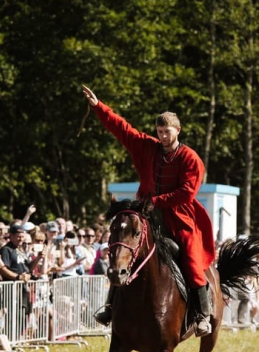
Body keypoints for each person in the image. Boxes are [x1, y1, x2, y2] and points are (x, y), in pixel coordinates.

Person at [83, 85, 216, 336]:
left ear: (178, 130)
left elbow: (188, 192)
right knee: (124, 249)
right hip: (145, 213)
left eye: (167, 132)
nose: (163, 136)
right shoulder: (147, 147)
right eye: (160, 132)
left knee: (189, 254)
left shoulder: (190, 158)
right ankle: (111, 306)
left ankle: (202, 315)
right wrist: (98, 106)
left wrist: (157, 201)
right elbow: (122, 128)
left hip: (178, 215)